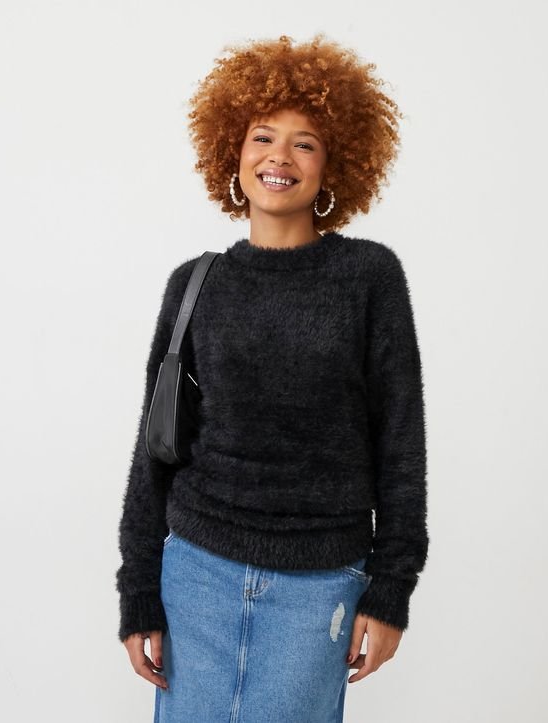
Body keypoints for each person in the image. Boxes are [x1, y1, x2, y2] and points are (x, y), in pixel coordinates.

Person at [115, 33, 429, 722]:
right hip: (194, 576)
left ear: (333, 164)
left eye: (304, 143)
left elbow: (401, 444)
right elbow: (153, 452)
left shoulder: (369, 278)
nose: (279, 157)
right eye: (262, 137)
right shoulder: (195, 284)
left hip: (319, 587)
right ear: (233, 152)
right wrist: (138, 591)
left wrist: (391, 588)